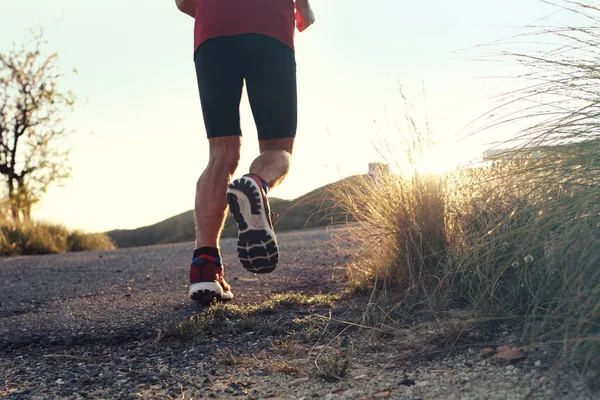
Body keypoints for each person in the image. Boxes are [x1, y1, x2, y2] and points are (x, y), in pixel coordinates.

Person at [174, 0, 316, 303]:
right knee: (278, 149)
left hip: (212, 33)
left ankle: (205, 270)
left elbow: (182, 2)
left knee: (220, 154)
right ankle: (256, 183)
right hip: (268, 26)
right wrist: (304, 8)